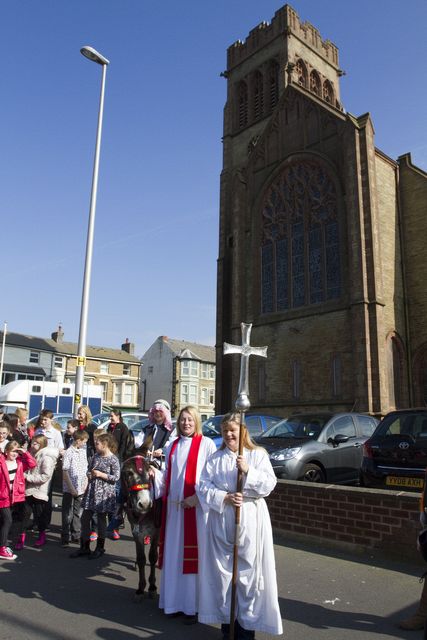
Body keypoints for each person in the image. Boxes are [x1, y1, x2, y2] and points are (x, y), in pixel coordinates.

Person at [198, 412, 283, 639]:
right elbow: (202, 487)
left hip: (250, 520)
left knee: (248, 578)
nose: (228, 435)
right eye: (225, 431)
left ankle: (246, 631)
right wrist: (223, 496)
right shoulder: (215, 459)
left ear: (243, 431)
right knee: (224, 578)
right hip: (222, 520)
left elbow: (269, 484)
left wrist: (247, 470)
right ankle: (228, 628)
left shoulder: (257, 455)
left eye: (232, 430)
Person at [152, 405, 217, 623]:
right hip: (174, 510)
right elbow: (168, 477)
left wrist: (197, 498)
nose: (186, 423)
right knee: (174, 556)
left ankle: (192, 606)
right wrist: (154, 475)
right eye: (182, 420)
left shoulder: (206, 445)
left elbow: (212, 478)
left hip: (196, 512)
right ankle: (174, 602)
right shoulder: (173, 446)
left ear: (197, 421)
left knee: (194, 559)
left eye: (190, 420)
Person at [70, 432, 120, 560]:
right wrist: (89, 474)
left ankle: (100, 547)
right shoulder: (96, 456)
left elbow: (116, 477)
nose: (95, 445)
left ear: (105, 444)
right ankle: (84, 547)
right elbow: (89, 469)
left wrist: (100, 475)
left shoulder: (113, 459)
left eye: (97, 443)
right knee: (85, 518)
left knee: (101, 520)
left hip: (104, 492)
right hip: (92, 490)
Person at [0, 440, 36, 559]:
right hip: (2, 497)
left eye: (16, 451)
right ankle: (2, 547)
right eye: (12, 451)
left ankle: (2, 545)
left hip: (12, 497)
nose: (14, 454)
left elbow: (32, 464)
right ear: (6, 451)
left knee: (3, 521)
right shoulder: (1, 462)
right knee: (8, 520)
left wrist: (25, 452)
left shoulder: (20, 463)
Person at [24, 434, 60, 547]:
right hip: (29, 489)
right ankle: (21, 537)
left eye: (35, 443)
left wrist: (27, 477)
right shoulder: (31, 454)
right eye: (32, 443)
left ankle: (42, 535)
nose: (32, 445)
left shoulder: (46, 457)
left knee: (40, 515)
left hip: (40, 491)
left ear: (41, 445)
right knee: (25, 514)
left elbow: (45, 476)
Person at [61, 430, 89, 546]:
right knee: (67, 513)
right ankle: (65, 536)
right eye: (84, 442)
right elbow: (65, 471)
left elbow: (85, 468)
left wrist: (86, 482)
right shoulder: (68, 452)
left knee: (78, 512)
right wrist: (71, 487)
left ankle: (76, 534)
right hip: (70, 488)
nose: (84, 444)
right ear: (78, 440)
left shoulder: (83, 451)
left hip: (81, 486)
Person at [135, 399, 175, 465]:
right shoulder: (147, 428)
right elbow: (138, 441)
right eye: (155, 411)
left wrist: (162, 450)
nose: (157, 413)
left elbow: (171, 444)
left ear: (166, 413)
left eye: (160, 411)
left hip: (163, 464)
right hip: (146, 462)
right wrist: (143, 449)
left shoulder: (172, 430)